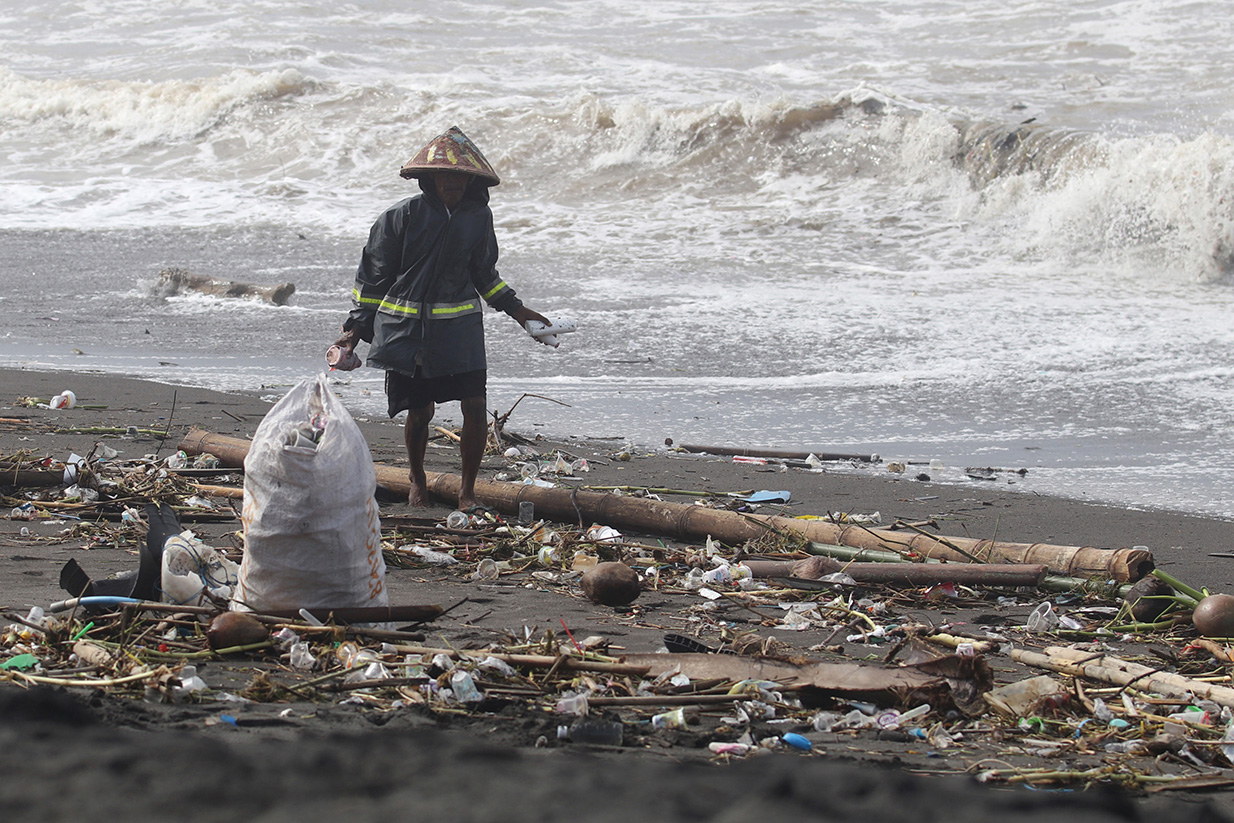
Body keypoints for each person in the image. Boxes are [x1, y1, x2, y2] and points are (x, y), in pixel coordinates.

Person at [332, 126, 550, 510]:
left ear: (472, 180)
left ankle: (467, 493)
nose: (454, 183)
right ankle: (418, 482)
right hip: (407, 333)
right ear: (429, 179)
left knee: (475, 406)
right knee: (420, 412)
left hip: (460, 331)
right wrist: (353, 333)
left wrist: (518, 311)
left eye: (461, 177)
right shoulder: (400, 217)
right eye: (446, 176)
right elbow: (372, 281)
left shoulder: (479, 218)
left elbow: (484, 274)